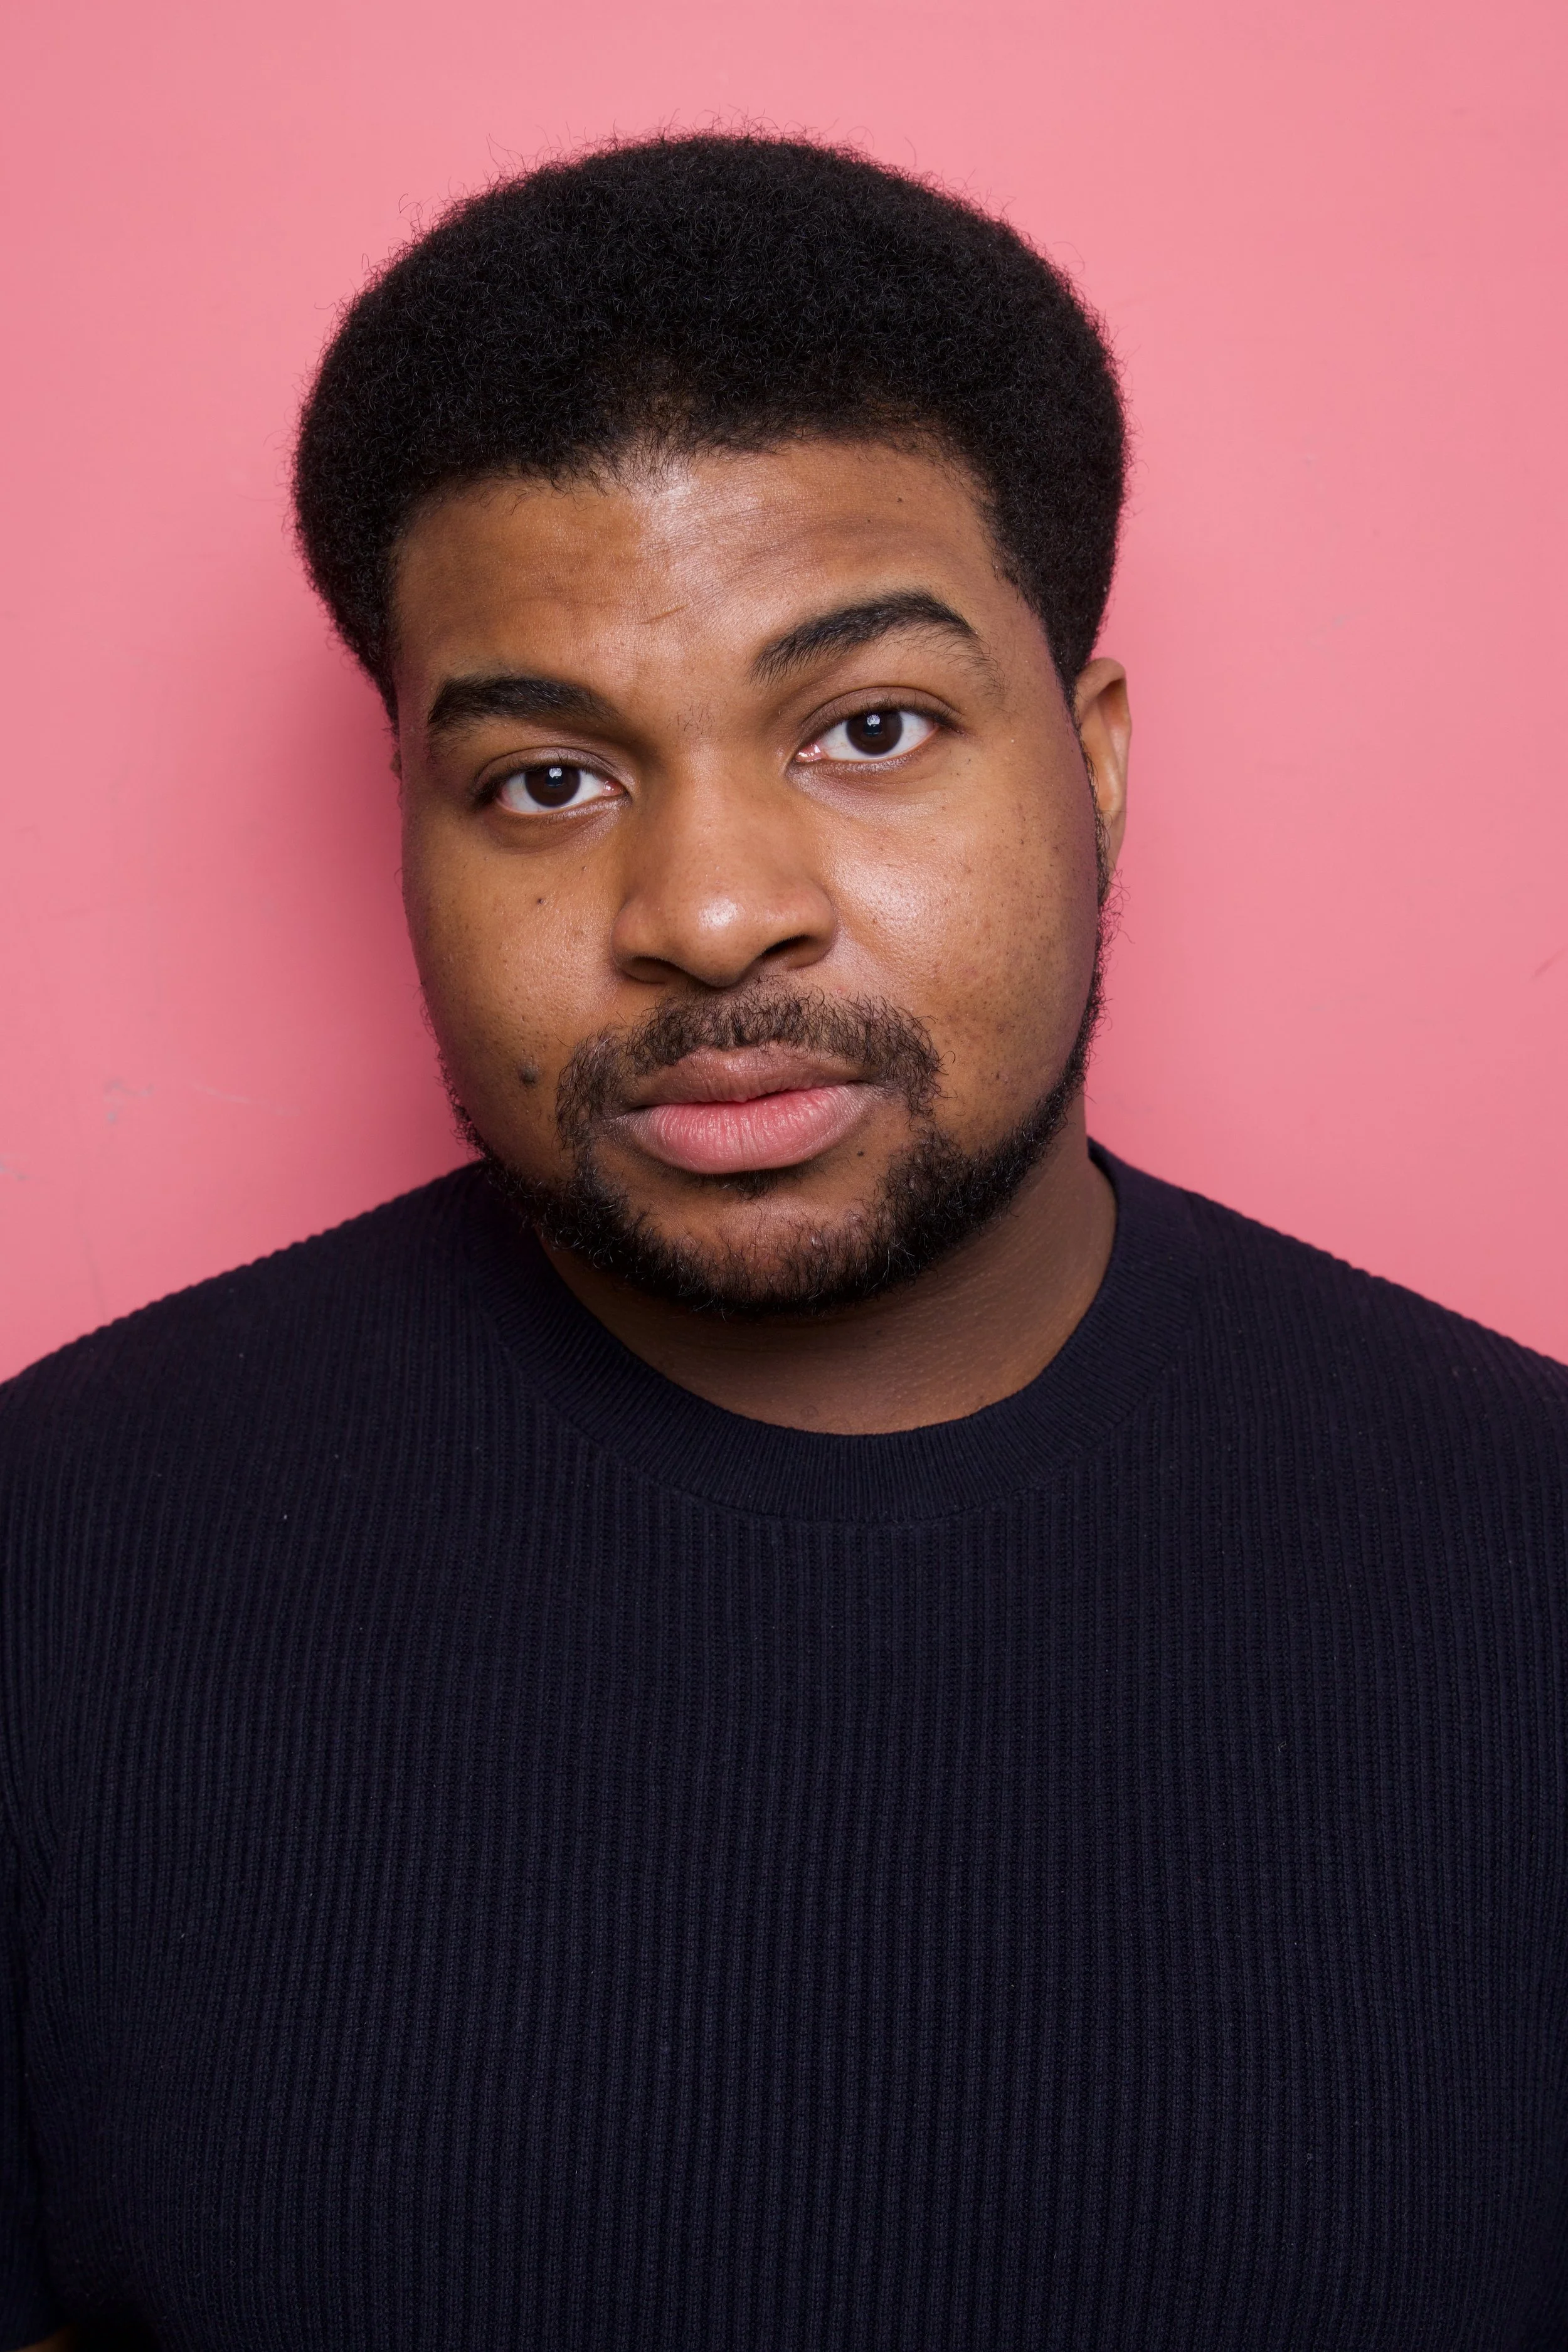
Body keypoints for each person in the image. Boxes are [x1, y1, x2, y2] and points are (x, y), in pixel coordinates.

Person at [2, 133, 1564, 2352]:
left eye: (868, 728)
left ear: (1092, 764)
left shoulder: (1529, 1561)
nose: (710, 910)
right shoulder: (54, 1558)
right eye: (548, 776)